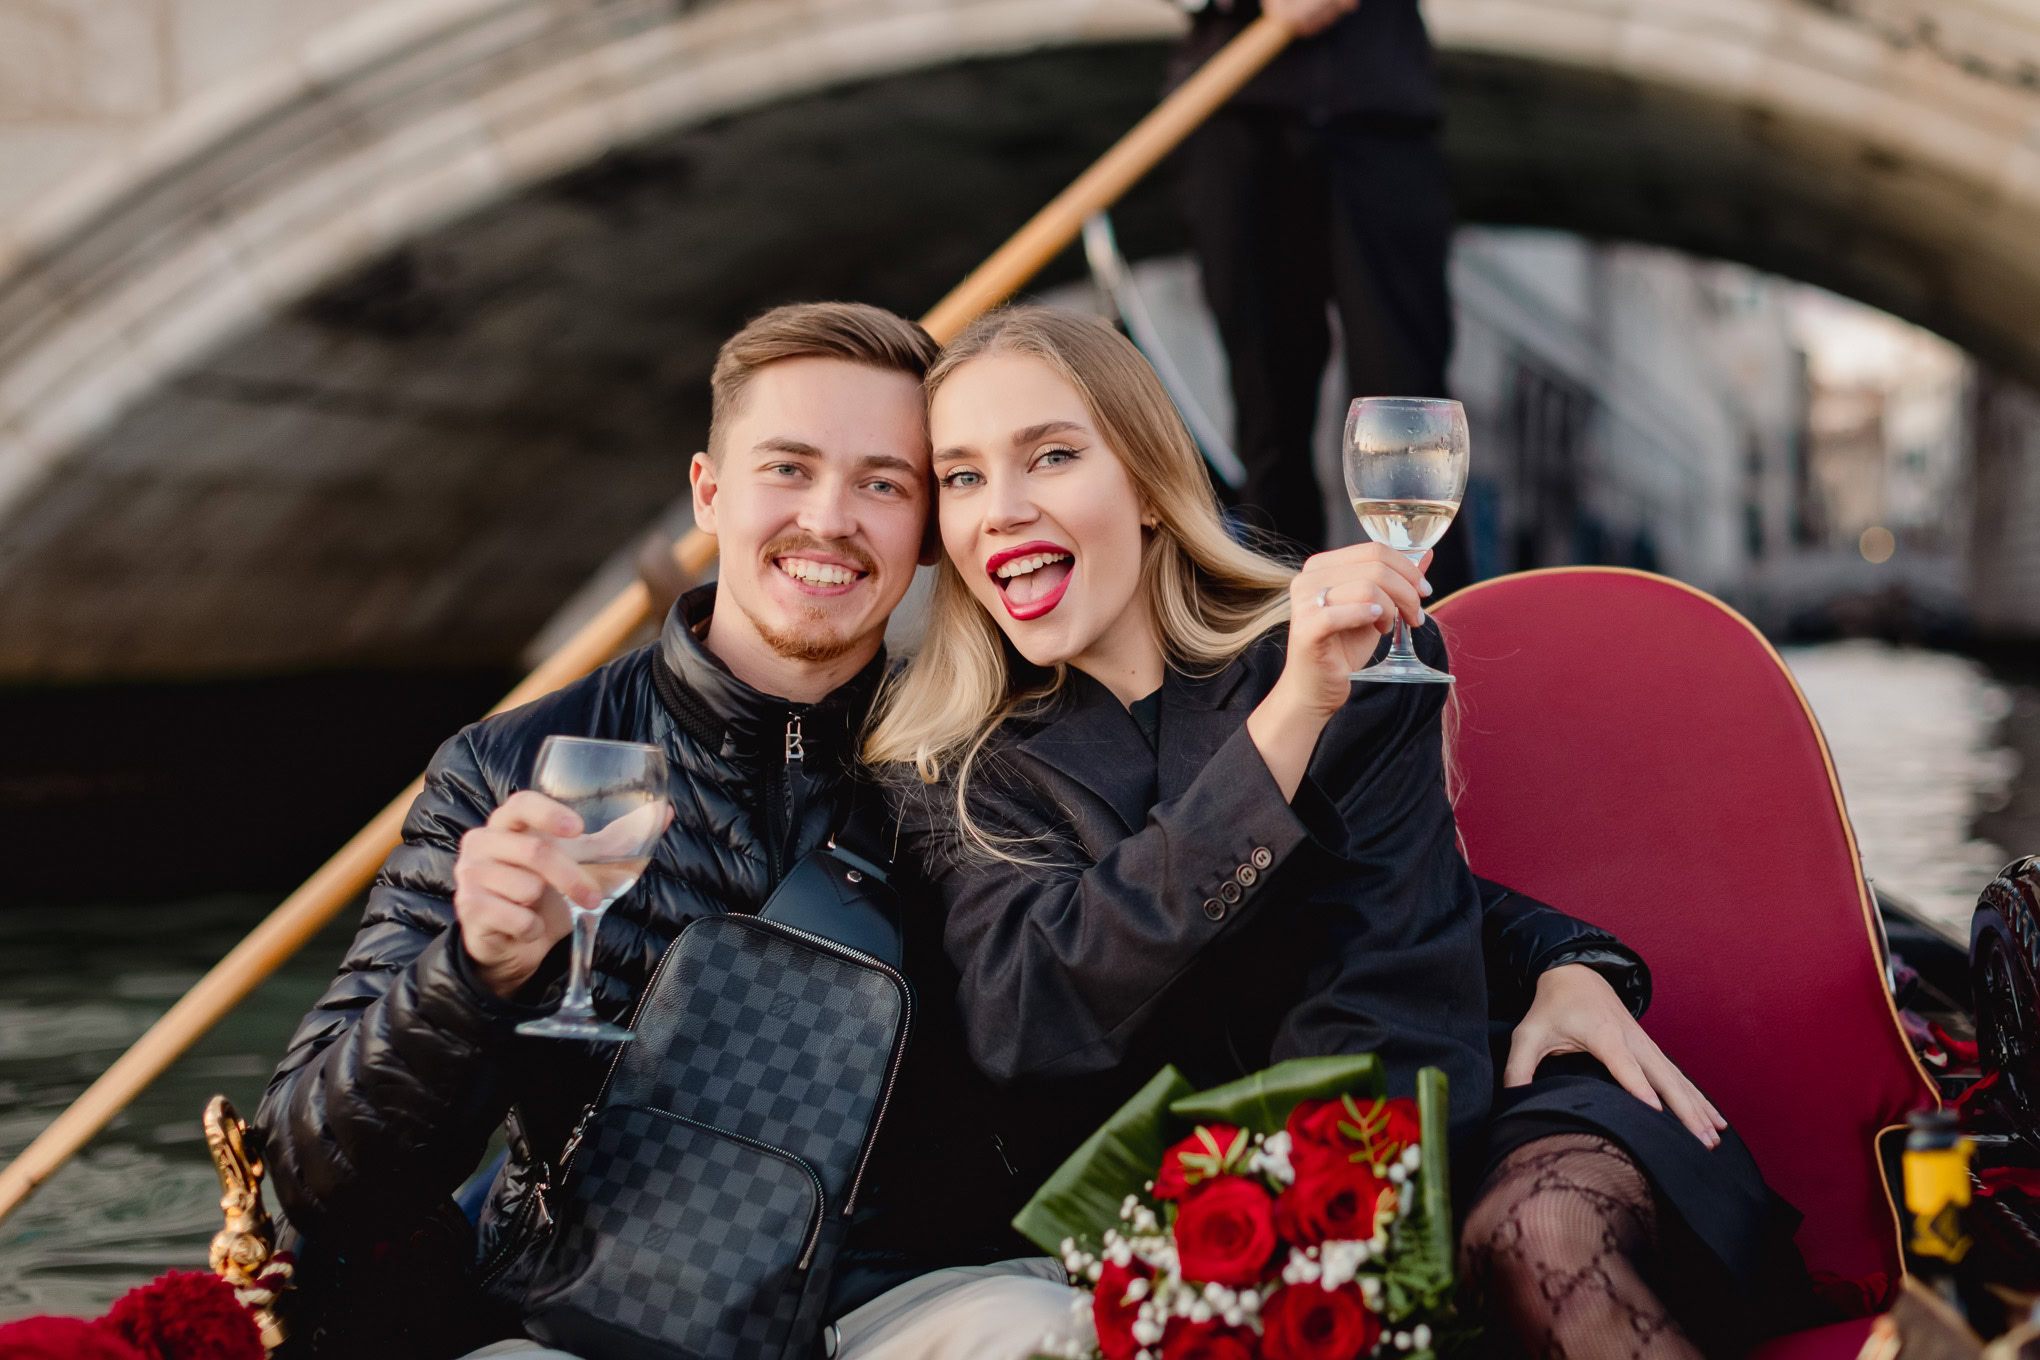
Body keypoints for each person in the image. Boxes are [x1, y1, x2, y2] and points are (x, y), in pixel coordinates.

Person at [864, 307, 1814, 1356]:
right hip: (1218, 1198)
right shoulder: (947, 763)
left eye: (1049, 454)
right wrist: (1285, 725)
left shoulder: (1347, 657)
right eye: (960, 476)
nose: (1001, 509)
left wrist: (1355, 1234)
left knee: (1539, 1234)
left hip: (1471, 1112)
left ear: (1141, 479)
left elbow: (1392, 978)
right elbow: (1030, 1011)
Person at [254, 302, 1094, 1360]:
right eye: (787, 468)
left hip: (911, 1308)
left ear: (926, 531)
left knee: (1050, 1335)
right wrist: (469, 973)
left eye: (881, 483)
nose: (830, 520)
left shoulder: (991, 761)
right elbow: (313, 1172)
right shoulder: (507, 767)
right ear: (709, 491)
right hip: (597, 1321)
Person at [1167, 0, 1469, 592]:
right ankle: (1273, 639)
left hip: (1382, 109)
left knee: (1407, 410)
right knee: (1267, 410)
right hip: (1236, 108)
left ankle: (1433, 637)